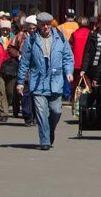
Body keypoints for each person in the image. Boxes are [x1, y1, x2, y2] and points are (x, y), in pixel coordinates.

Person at [16, 12, 74, 150]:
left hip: (56, 81)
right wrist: (20, 81)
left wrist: (69, 72)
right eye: (42, 25)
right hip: (37, 81)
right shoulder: (31, 40)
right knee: (41, 113)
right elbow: (24, 62)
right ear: (38, 25)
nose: (46, 27)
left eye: (48, 24)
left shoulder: (60, 38)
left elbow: (68, 56)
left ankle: (50, 129)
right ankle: (45, 140)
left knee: (56, 111)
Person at [10, 15, 37, 126]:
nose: (31, 30)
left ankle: (36, 116)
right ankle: (27, 116)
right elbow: (10, 47)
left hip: (36, 70)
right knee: (26, 95)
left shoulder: (40, 37)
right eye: (29, 28)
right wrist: (18, 54)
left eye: (34, 28)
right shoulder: (20, 36)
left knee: (36, 95)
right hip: (24, 69)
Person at [79, 12, 101, 91]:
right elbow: (87, 53)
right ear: (98, 23)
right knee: (92, 92)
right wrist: (83, 69)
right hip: (93, 67)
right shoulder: (92, 35)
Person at [68, 16, 91, 101]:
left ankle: (75, 100)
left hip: (77, 62)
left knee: (76, 84)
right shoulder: (91, 33)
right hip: (88, 62)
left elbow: (70, 47)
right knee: (88, 83)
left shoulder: (75, 34)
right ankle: (88, 99)